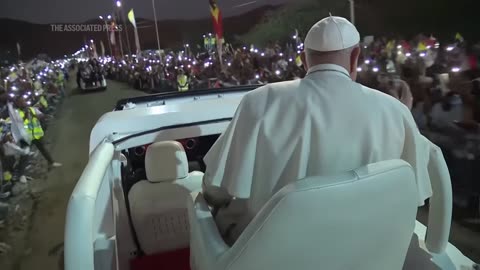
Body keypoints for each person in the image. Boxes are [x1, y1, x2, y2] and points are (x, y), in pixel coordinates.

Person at [200, 16, 447, 245]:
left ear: (305, 59)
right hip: (363, 253)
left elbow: (215, 189)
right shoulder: (395, 110)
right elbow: (415, 193)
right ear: (355, 57)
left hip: (270, 253)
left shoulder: (258, 101)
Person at [15, 97, 61, 169]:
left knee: (43, 149)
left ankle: (51, 162)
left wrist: (38, 115)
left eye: (23, 101)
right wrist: (26, 116)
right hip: (27, 137)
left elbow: (41, 115)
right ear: (17, 104)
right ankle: (19, 172)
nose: (23, 103)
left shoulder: (32, 109)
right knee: (24, 155)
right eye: (20, 102)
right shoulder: (17, 113)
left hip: (35, 135)